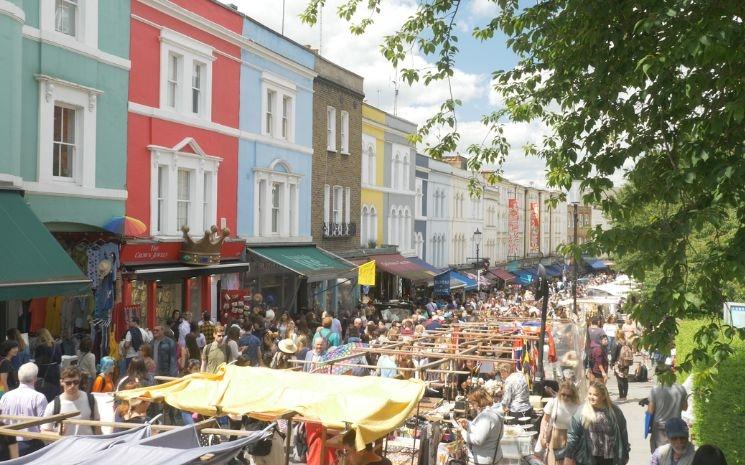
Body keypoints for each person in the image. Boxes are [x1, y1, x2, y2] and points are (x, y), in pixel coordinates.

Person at [564, 381, 630, 465]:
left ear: (603, 396)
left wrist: (625, 453)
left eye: (595, 395)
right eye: (590, 394)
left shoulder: (614, 411)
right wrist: (569, 456)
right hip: (587, 458)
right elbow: (573, 435)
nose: (591, 397)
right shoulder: (581, 411)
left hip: (609, 458)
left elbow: (623, 432)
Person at [0, 363, 48, 455]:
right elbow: (44, 424)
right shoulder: (39, 397)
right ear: (35, 378)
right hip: (31, 444)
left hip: (8, 444)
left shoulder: (6, 396)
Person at [41, 366, 101, 436]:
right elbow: (44, 431)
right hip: (66, 445)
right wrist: (57, 434)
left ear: (80, 381)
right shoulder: (53, 405)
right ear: (61, 382)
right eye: (68, 383)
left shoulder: (91, 399)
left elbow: (97, 425)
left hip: (88, 444)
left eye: (76, 382)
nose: (72, 386)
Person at [455, 389, 504, 465]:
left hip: (484, 459)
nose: (471, 406)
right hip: (492, 456)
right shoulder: (492, 413)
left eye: (472, 403)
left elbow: (478, 440)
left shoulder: (486, 417)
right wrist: (468, 424)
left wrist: (462, 431)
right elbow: (483, 429)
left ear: (478, 402)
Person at [648, 365, 688, 452]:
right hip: (676, 427)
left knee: (660, 455)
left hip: (660, 428)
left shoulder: (655, 390)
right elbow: (685, 407)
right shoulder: (681, 388)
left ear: (659, 376)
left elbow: (650, 411)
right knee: (675, 454)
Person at [540, 382, 581, 465]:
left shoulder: (577, 406)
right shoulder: (553, 402)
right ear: (559, 393)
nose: (565, 397)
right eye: (563, 394)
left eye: (568, 395)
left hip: (572, 439)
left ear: (573, 395)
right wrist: (542, 437)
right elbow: (545, 420)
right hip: (555, 437)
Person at [33, 328, 60, 401]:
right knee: (55, 392)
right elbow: (59, 360)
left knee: (44, 392)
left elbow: (38, 361)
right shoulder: (56, 345)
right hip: (55, 370)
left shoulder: (40, 347)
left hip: (44, 372)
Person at [611, 333, 633, 400]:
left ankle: (621, 395)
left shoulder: (616, 343)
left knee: (619, 380)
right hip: (626, 363)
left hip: (618, 363)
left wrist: (611, 363)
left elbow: (613, 354)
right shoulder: (627, 343)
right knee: (625, 379)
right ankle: (625, 395)